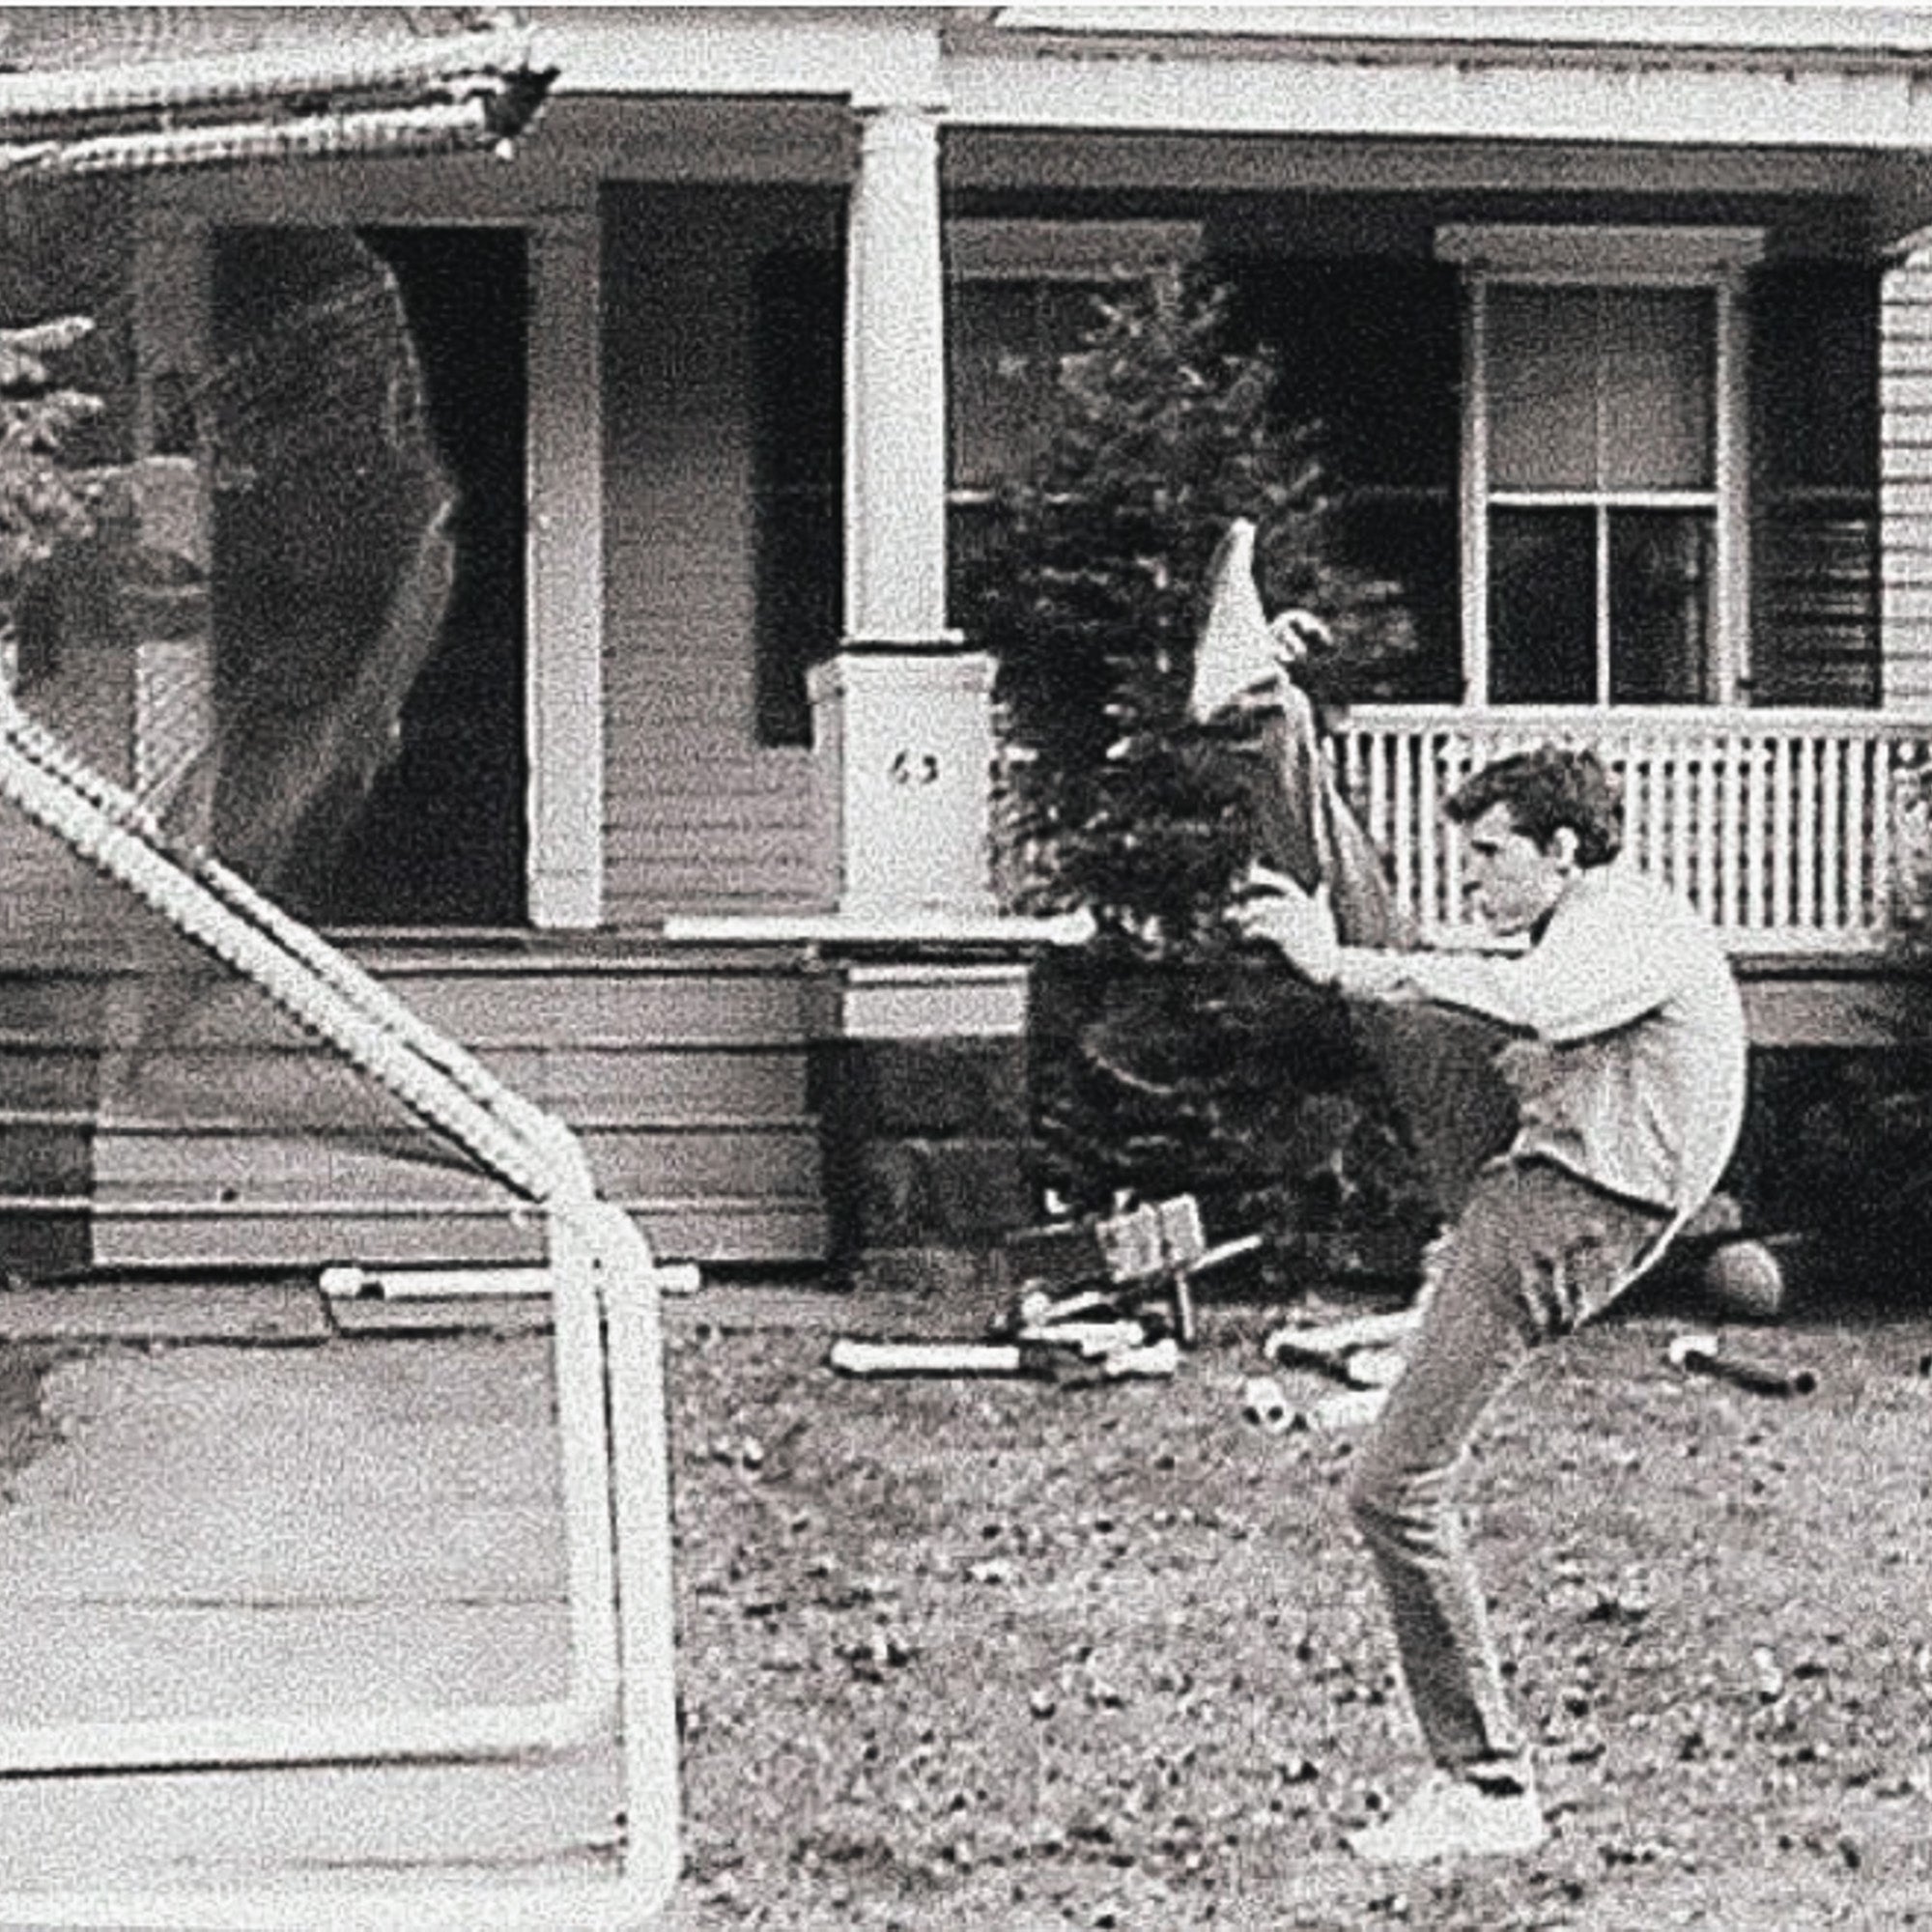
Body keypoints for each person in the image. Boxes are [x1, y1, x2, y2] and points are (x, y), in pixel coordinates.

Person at [1232, 744, 1747, 1868]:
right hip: (1542, 1185)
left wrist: (1341, 968)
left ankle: (1487, 1782)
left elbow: (1541, 1003)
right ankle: (1272, 727)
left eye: (1490, 853)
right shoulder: (1582, 917)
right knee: (1396, 967)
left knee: (1392, 1490)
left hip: (1566, 1212)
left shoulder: (1630, 925)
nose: (1473, 875)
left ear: (1563, 849)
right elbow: (1489, 979)